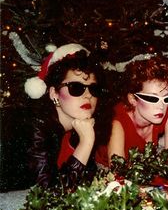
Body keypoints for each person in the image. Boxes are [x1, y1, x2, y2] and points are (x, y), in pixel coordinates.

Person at [24, 43, 110, 189]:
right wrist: (86, 143)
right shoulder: (37, 127)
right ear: (53, 93)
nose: (88, 95)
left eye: (94, 89)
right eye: (76, 88)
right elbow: (50, 194)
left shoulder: (82, 126)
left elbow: (87, 184)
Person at [95, 55, 168, 168]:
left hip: (143, 164)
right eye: (152, 98)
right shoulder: (117, 122)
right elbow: (118, 175)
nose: (161, 106)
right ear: (132, 99)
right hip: (108, 170)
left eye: (166, 98)